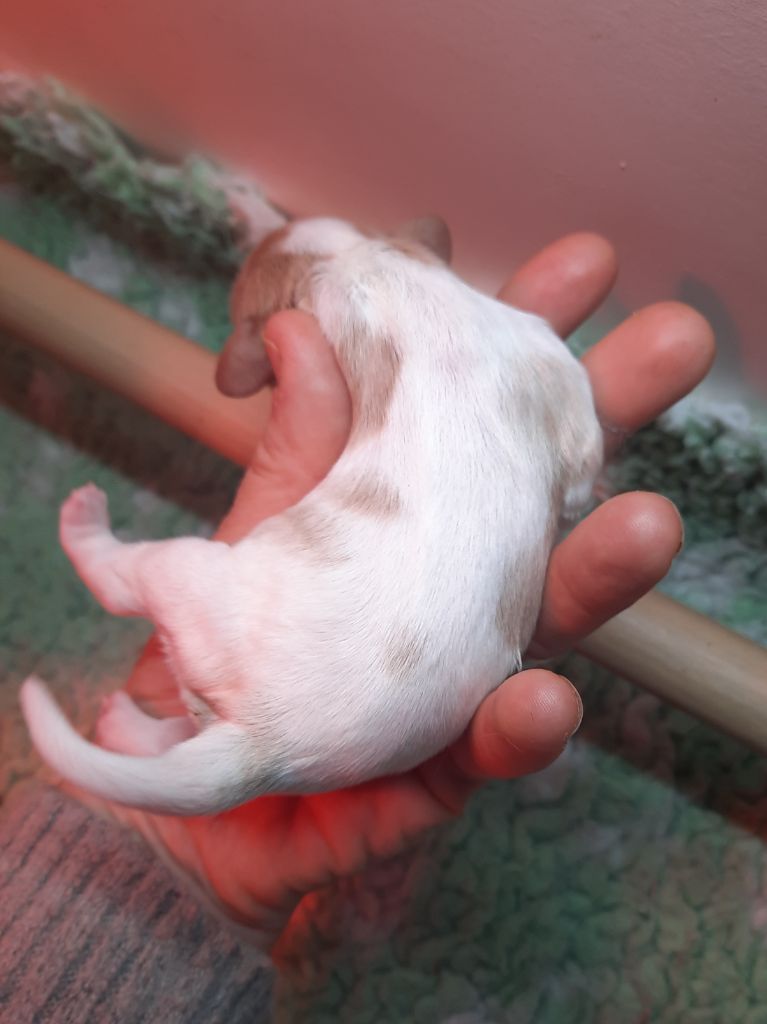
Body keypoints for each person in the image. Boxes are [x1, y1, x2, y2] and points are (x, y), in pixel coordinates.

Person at [88, 231, 715, 956]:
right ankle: (172, 750)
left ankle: (124, 612)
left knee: (219, 612)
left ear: (268, 330)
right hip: (409, 725)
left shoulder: (349, 311)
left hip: (343, 695)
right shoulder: (524, 344)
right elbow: (575, 457)